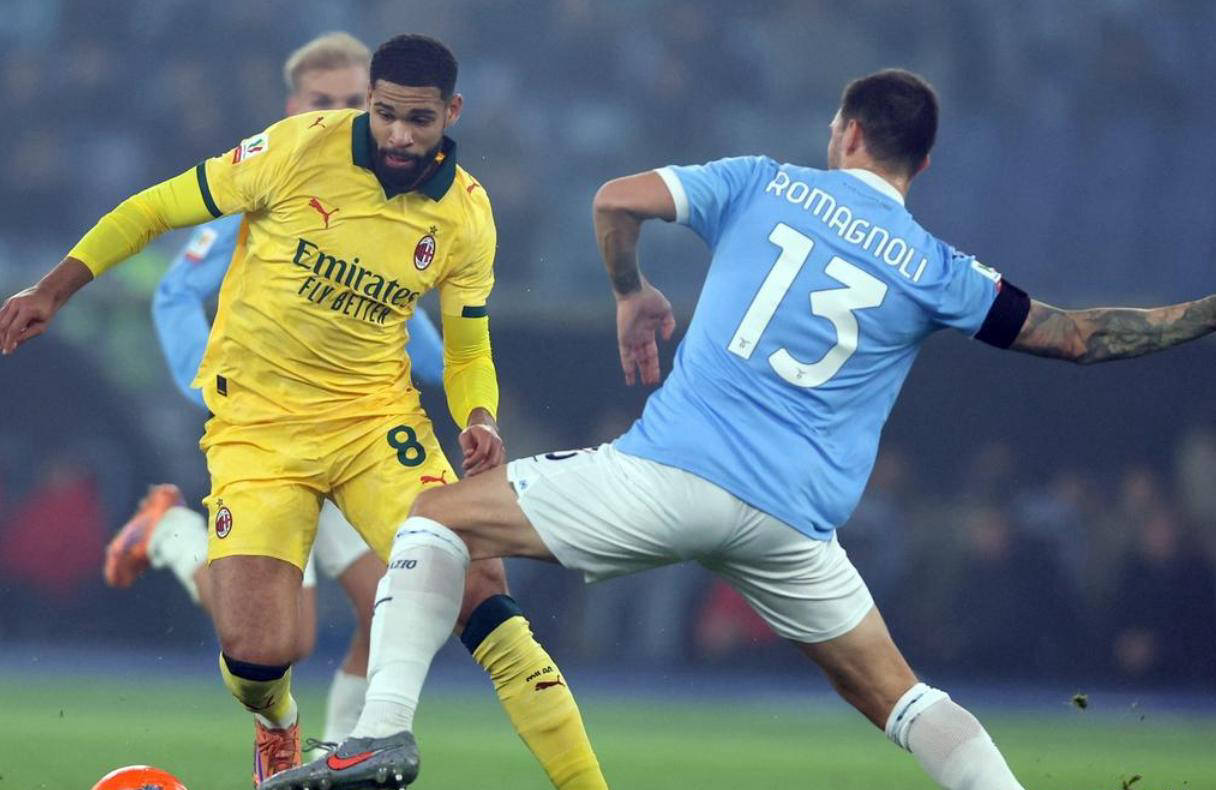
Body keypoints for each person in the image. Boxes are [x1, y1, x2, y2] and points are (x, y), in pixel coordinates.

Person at [266, 68, 1216, 790]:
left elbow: (615, 198)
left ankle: (379, 734)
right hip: (794, 526)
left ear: (846, 132)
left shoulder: (766, 182)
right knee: (901, 696)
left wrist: (632, 290)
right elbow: (1078, 338)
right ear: (921, 165)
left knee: (437, 518)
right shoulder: (941, 268)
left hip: (670, 477)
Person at [0, 33, 604, 789]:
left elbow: (467, 348)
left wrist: (479, 415)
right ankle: (278, 720)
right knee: (260, 655)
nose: (398, 135)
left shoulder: (467, 214)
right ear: (371, 102)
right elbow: (155, 208)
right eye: (385, 114)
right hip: (258, 430)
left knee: (481, 592)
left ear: (451, 112)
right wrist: (52, 289)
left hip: (374, 426)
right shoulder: (294, 149)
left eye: (418, 119)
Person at [99, 31, 445, 753]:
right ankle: (170, 534)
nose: (343, 112)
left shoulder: (384, 197)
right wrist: (212, 391)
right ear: (293, 106)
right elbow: (175, 291)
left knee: (398, 599)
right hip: (270, 432)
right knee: (290, 639)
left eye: (355, 100)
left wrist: (442, 364)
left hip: (349, 430)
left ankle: (340, 754)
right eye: (324, 100)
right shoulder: (272, 184)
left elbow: (389, 309)